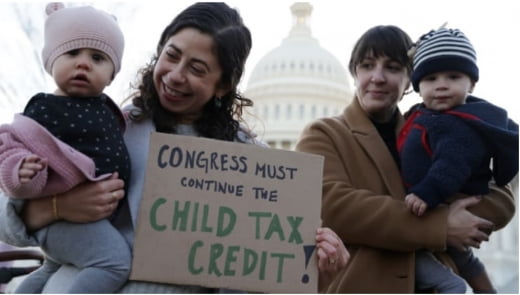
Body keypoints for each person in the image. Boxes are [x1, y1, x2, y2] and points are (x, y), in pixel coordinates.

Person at [0, 3, 349, 293]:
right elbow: (7, 213)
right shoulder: (106, 125)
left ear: (224, 85)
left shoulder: (255, 166)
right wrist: (56, 207)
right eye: (172, 55)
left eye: (197, 69)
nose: (175, 75)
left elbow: (261, 273)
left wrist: (316, 265)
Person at [295, 25, 516, 293]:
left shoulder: (435, 127)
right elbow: (332, 206)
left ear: (410, 81)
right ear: (354, 74)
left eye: (392, 67)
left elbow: (500, 200)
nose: (377, 77)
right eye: (366, 66)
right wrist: (440, 225)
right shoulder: (324, 134)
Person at [0, 3, 131, 293]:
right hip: (64, 219)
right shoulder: (47, 108)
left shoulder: (110, 111)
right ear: (51, 61)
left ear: (111, 75)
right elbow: (10, 144)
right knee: (114, 262)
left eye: (97, 57)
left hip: (87, 222)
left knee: (51, 266)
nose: (83, 63)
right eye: (72, 53)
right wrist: (20, 171)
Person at [398, 27, 518, 293]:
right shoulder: (422, 116)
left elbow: (451, 165)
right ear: (418, 87)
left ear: (471, 83)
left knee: (449, 276)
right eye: (431, 78)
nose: (441, 84)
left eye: (453, 76)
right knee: (464, 258)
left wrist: (426, 193)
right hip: (439, 210)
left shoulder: (461, 125)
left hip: (435, 200)